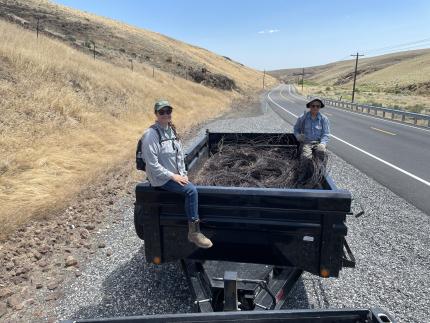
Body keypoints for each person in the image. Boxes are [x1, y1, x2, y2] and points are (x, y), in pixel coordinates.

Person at [142, 99, 213, 249]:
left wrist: (182, 173)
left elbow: (179, 156)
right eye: (162, 112)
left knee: (188, 183)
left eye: (168, 111)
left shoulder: (171, 131)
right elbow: (152, 164)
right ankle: (194, 232)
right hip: (160, 178)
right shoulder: (151, 134)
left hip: (173, 175)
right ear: (156, 114)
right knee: (191, 190)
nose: (166, 114)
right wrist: (173, 176)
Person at [293, 98, 330, 184]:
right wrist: (298, 135)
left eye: (318, 106)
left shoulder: (324, 119)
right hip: (307, 142)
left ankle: (319, 175)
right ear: (309, 106)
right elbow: (296, 129)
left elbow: (326, 134)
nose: (315, 108)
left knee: (321, 153)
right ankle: (302, 176)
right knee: (306, 157)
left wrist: (323, 143)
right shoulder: (303, 117)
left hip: (318, 142)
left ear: (320, 107)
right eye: (313, 106)